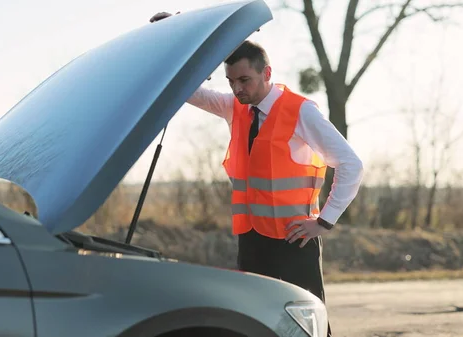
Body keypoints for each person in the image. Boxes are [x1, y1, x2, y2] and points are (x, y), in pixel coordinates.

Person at [151, 12, 364, 337]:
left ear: (266, 73)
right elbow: (189, 91)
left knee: (304, 327)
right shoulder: (235, 107)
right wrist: (176, 39)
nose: (237, 88)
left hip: (295, 240)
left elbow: (351, 164)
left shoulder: (301, 111)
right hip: (251, 238)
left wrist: (323, 222)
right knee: (255, 323)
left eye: (244, 80)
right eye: (231, 82)